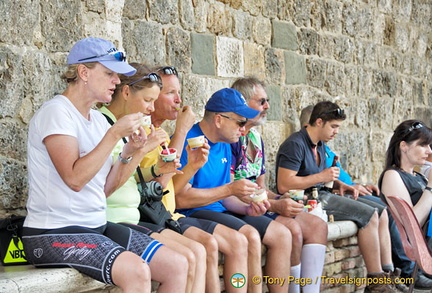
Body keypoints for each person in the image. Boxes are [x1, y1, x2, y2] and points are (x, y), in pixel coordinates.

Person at [22, 37, 188, 293]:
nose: (116, 81)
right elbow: (75, 179)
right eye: (109, 73)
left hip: (95, 226)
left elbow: (106, 189)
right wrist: (113, 136)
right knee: (136, 271)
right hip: (52, 232)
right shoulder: (56, 112)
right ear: (83, 72)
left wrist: (131, 153)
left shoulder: (98, 122)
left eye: (117, 75)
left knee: (176, 265)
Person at [99, 63, 207, 293]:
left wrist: (157, 169)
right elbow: (108, 183)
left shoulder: (123, 126)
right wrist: (143, 149)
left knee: (194, 254)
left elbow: (130, 178)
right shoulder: (104, 125)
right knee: (181, 262)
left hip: (132, 216)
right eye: (148, 100)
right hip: (114, 220)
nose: (150, 108)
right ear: (126, 92)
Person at [141, 66, 249, 293]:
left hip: (169, 214)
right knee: (211, 245)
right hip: (156, 217)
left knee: (246, 239)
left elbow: (170, 189)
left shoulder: (159, 133)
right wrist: (181, 131)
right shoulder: (151, 134)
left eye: (178, 92)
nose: (178, 100)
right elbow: (163, 191)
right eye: (170, 93)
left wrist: (192, 166)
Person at [276, 100, 402, 292]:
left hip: (323, 194)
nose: (336, 131)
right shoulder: (294, 144)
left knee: (380, 209)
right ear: (319, 122)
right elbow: (283, 183)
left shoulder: (318, 144)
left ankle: (386, 273)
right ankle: (376, 282)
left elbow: (320, 179)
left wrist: (341, 185)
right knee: (368, 216)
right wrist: (322, 176)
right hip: (308, 200)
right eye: (334, 126)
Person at [175, 88, 292, 293]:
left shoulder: (226, 142)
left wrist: (247, 208)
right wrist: (230, 189)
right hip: (190, 212)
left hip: (217, 209)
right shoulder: (190, 141)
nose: (244, 129)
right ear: (219, 120)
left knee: (261, 236)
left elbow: (228, 196)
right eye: (240, 122)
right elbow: (181, 199)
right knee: (242, 240)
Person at [230, 77, 327, 293]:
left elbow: (260, 187)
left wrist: (280, 198)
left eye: (267, 101)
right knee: (292, 230)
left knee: (318, 226)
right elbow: (230, 192)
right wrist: (274, 206)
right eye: (262, 101)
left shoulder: (255, 138)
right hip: (237, 208)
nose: (268, 106)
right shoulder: (230, 138)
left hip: (260, 204)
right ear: (243, 103)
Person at [379, 120, 432, 289]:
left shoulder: (419, 177)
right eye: (423, 145)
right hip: (418, 253)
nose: (429, 151)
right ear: (404, 146)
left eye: (429, 146)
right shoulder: (392, 176)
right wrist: (430, 188)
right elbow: (411, 223)